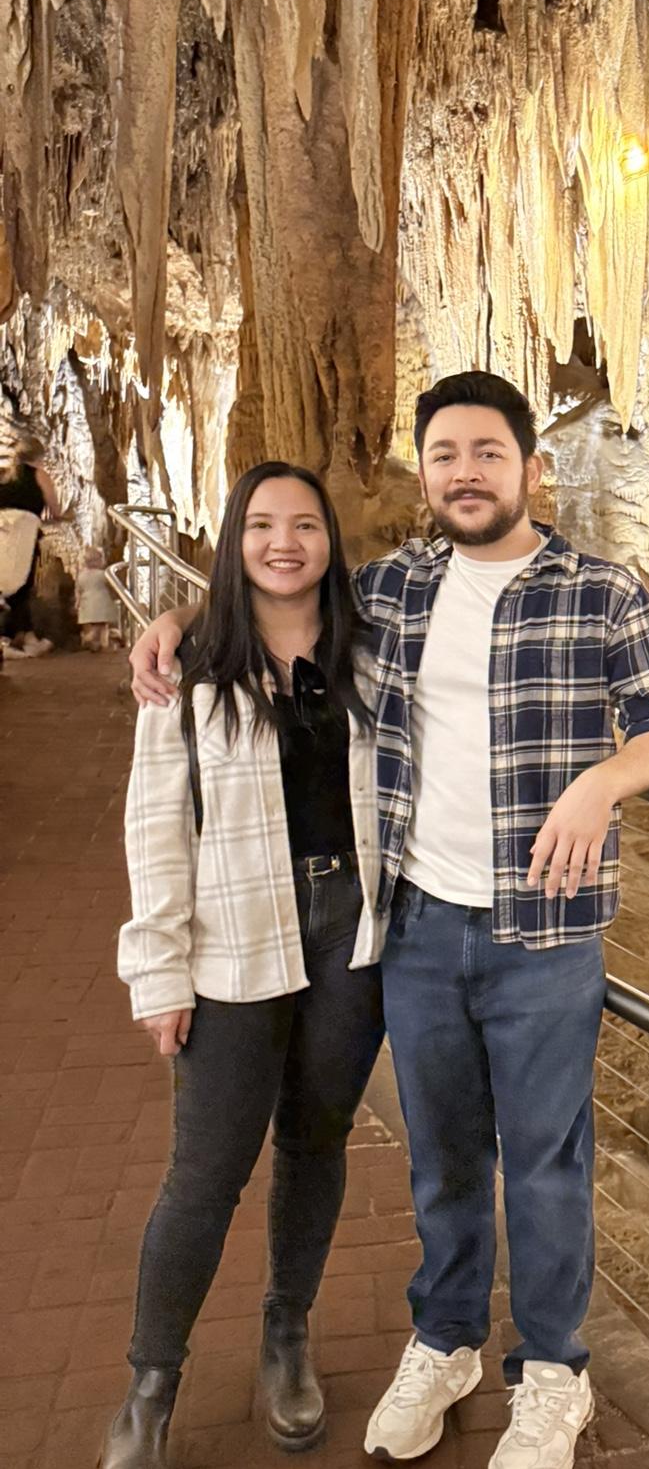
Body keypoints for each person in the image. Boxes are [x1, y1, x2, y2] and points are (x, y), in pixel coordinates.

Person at [130, 372, 649, 1469]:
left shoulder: (600, 591)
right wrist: (177, 621)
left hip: (546, 930)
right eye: (445, 455)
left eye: (488, 453)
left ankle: (553, 1372)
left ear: (530, 467)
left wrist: (603, 784)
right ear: (427, 474)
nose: (465, 473)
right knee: (441, 1160)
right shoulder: (394, 588)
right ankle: (445, 1341)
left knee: (543, 1165)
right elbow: (278, 585)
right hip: (419, 926)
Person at [106, 463, 387, 1469]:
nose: (284, 543)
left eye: (305, 524)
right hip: (233, 940)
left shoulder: (371, 651)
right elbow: (154, 831)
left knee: (316, 1143)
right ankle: (151, 1384)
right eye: (262, 525)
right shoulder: (189, 671)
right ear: (234, 543)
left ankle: (286, 1333)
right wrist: (158, 973)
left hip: (349, 933)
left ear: (329, 541)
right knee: (206, 1172)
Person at [0, 434, 62, 655]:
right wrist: (60, 517)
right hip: (23, 534)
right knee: (21, 583)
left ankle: (15, 635)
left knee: (4, 584)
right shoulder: (39, 475)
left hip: (2, 532)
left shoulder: (5, 476)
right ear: (39, 456)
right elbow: (54, 508)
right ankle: (23, 636)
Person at [76, 545, 118, 650]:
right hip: (102, 603)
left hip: (86, 603)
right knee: (100, 624)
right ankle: (90, 637)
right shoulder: (103, 575)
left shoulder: (81, 576)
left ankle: (96, 644)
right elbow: (111, 586)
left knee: (93, 624)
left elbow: (78, 590)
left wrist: (78, 602)